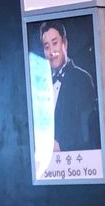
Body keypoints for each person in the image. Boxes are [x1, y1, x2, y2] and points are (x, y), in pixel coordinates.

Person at [39, 21, 99, 153]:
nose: (51, 51)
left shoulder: (82, 79)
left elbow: (88, 132)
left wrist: (61, 146)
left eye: (55, 43)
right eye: (46, 47)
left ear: (64, 43)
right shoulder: (41, 84)